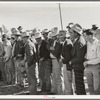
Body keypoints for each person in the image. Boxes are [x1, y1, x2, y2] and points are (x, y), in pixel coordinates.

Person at [69, 24, 86, 95]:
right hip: (77, 66)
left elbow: (80, 57)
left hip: (79, 66)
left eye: (71, 32)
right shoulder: (78, 40)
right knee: (79, 86)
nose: (70, 34)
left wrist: (71, 61)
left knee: (80, 86)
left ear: (76, 33)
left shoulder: (79, 42)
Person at [83, 29, 100, 95]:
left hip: (95, 67)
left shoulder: (98, 44)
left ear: (90, 36)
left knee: (97, 87)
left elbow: (99, 59)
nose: (84, 37)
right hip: (88, 66)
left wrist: (87, 62)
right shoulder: (88, 43)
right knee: (90, 86)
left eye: (85, 36)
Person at [59, 30, 73, 95]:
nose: (59, 38)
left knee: (68, 83)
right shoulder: (66, 42)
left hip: (67, 65)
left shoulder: (67, 43)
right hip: (67, 65)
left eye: (60, 37)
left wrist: (62, 60)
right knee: (67, 82)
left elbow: (68, 58)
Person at [49, 27, 63, 95]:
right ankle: (55, 90)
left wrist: (52, 49)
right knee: (54, 76)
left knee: (58, 76)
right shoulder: (53, 41)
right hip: (53, 60)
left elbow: (57, 52)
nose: (53, 37)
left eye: (54, 36)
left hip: (57, 60)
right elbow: (48, 47)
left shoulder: (59, 42)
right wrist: (52, 49)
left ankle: (60, 92)